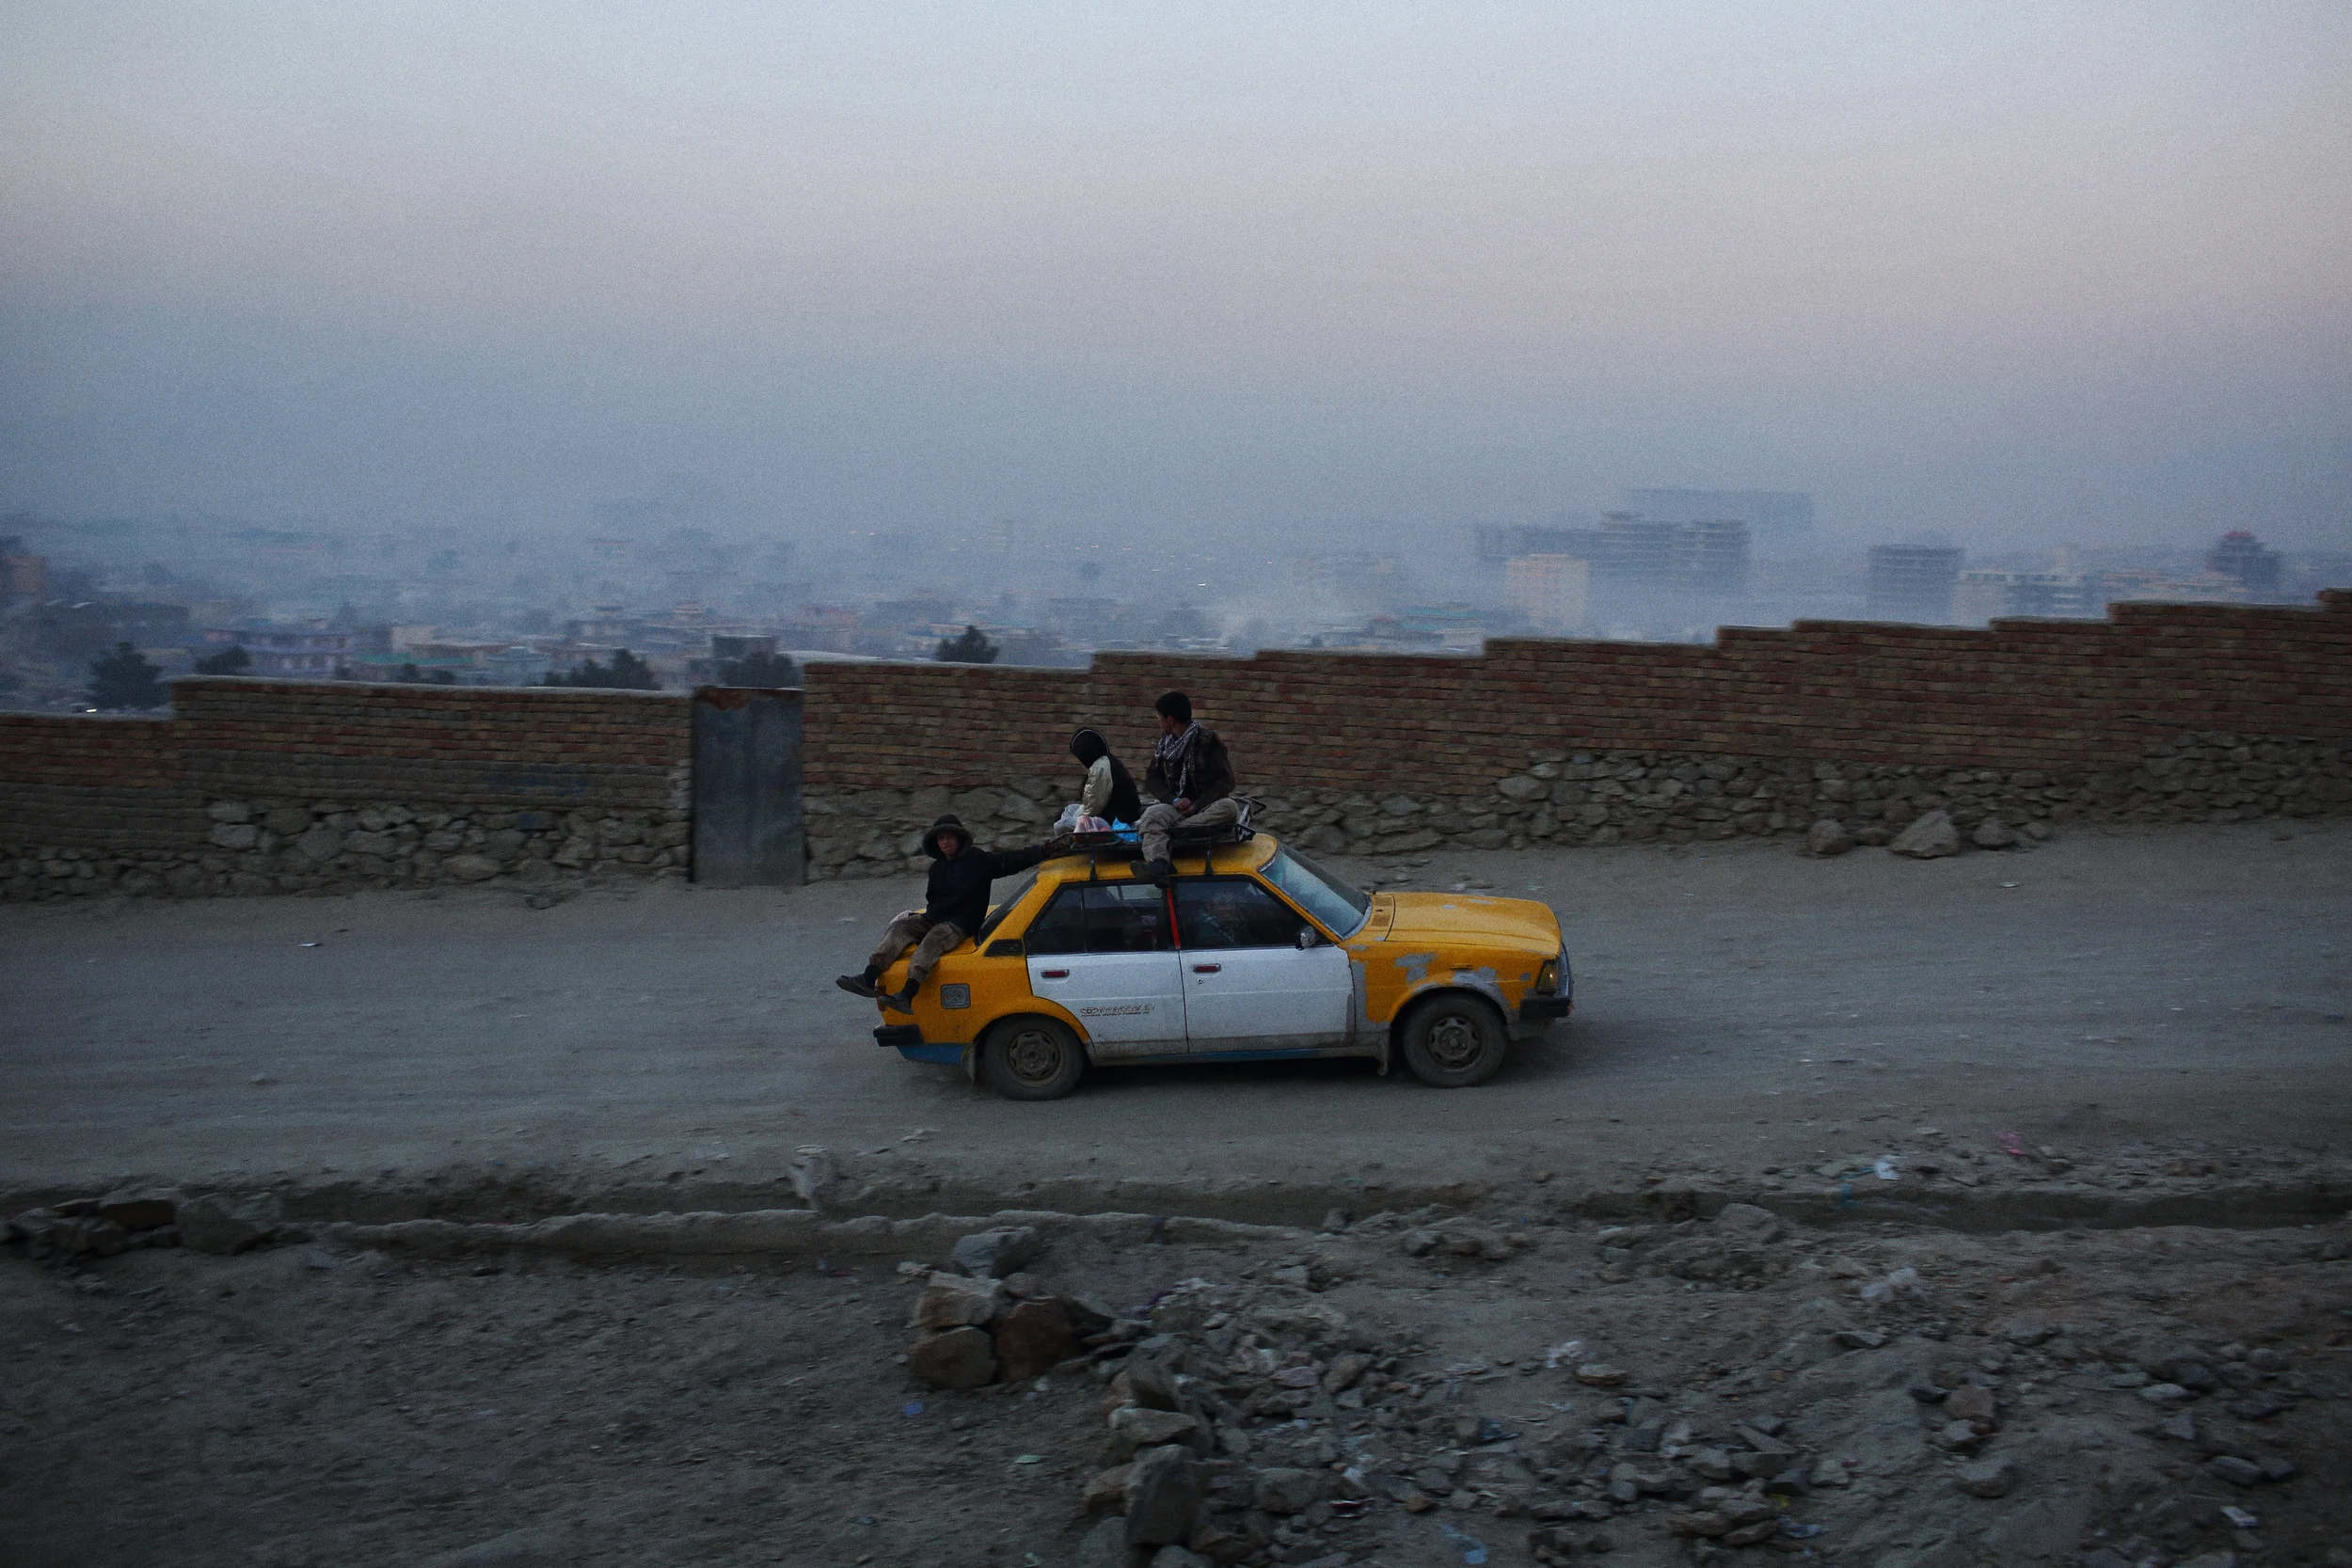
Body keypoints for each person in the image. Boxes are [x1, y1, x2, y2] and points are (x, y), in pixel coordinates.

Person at [836, 815, 1063, 1011]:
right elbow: (932, 900)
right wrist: (920, 919)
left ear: (959, 839)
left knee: (933, 941)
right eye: (941, 838)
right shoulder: (937, 868)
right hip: (934, 917)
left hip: (960, 923)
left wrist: (1042, 851)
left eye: (949, 837)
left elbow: (1011, 861)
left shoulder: (978, 861)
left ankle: (907, 994)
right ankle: (869, 976)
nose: (945, 842)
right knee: (900, 927)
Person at [1136, 690, 1239, 883]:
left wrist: (1196, 805)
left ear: (1170, 719)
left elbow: (1226, 781)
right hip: (1175, 807)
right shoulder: (1164, 744)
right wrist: (1174, 800)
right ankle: (1159, 866)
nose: (1158, 722)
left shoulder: (1208, 741)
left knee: (1229, 808)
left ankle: (1172, 832)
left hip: (1205, 808)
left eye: (1159, 718)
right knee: (1151, 816)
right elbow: (1152, 779)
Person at [1068, 726, 1142, 829]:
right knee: (1070, 809)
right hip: (1116, 814)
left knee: (1060, 825)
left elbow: (1094, 805)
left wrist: (1079, 816)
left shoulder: (1101, 766)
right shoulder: (1108, 761)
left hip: (1114, 820)